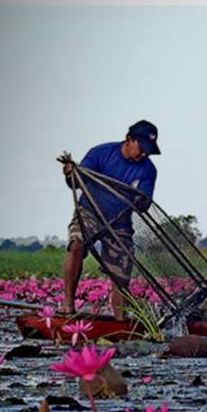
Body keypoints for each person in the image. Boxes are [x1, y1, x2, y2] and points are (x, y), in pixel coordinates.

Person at [61, 120, 160, 320]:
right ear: (129, 140)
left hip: (120, 222)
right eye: (142, 148)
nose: (144, 155)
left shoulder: (148, 170)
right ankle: (68, 305)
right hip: (90, 213)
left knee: (121, 274)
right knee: (76, 245)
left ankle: (119, 321)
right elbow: (76, 183)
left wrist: (141, 200)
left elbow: (144, 203)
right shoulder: (100, 153)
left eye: (148, 151)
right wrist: (70, 174)